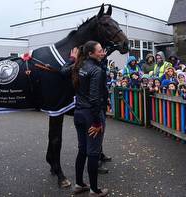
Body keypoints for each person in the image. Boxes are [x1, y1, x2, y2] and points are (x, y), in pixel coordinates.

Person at [71, 41, 109, 196]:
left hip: (78, 113)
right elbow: (94, 99)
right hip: (91, 115)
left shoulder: (78, 66)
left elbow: (62, 71)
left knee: (82, 150)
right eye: (100, 51)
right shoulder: (95, 70)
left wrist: (72, 59)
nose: (103, 52)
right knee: (93, 152)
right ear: (91, 53)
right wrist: (97, 122)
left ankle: (79, 184)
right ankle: (94, 190)